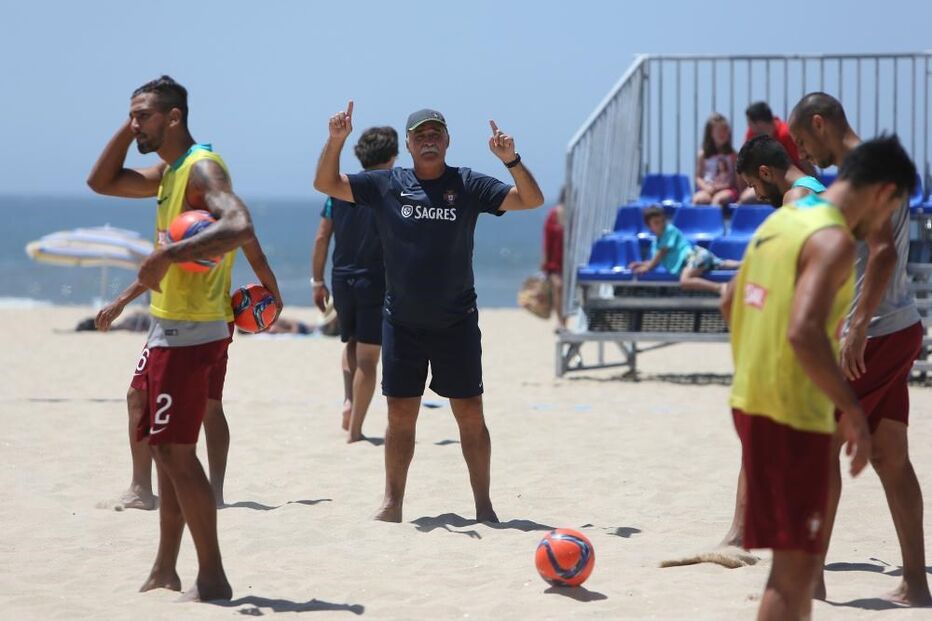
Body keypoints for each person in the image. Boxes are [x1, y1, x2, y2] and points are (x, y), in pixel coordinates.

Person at [86, 75, 275, 601]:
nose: (135, 123)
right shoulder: (168, 173)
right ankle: (166, 568)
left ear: (173, 117)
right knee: (165, 450)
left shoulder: (201, 168)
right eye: (131, 115)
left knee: (174, 451)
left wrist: (168, 254)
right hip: (167, 326)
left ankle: (211, 575)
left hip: (194, 331)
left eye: (143, 115)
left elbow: (240, 224)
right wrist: (126, 132)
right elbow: (100, 182)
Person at [314, 102, 544, 522]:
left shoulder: (468, 184)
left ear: (448, 141)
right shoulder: (387, 184)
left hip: (456, 322)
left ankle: (484, 506)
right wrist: (336, 141)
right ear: (408, 144)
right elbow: (326, 182)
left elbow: (531, 199)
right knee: (401, 417)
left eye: (436, 134)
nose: (429, 140)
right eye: (420, 135)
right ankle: (392, 503)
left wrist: (510, 159)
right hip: (402, 322)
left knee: (470, 416)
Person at [726, 135, 916, 620]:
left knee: (791, 574)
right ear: (883, 193)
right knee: (792, 581)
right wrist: (850, 408)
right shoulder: (830, 237)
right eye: (894, 209)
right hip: (792, 412)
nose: (888, 226)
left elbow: (730, 299)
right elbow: (804, 330)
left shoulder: (785, 219)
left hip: (755, 400)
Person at [789, 93, 931, 605]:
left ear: (821, 124)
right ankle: (915, 584)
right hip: (897, 328)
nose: (806, 155)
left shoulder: (864, 169)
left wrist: (855, 327)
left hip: (873, 335)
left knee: (817, 450)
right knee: (891, 456)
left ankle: (812, 579)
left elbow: (885, 252)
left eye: (805, 141)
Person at [95, 233, 282, 509]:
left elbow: (160, 266)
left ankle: (163, 490)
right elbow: (258, 257)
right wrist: (275, 301)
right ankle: (183, 492)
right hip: (200, 318)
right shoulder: (223, 210)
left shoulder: (203, 212)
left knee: (166, 399)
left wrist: (121, 301)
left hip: (188, 318)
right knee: (190, 403)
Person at [312, 126, 398, 442]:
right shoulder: (392, 186)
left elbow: (322, 237)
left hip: (341, 277)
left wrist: (317, 281)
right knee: (368, 358)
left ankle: (349, 399)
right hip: (375, 279)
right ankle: (357, 431)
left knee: (350, 343)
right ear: (392, 157)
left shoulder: (339, 188)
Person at [629, 206, 739, 294]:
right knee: (723, 263)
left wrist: (647, 267)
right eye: (656, 223)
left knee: (685, 281)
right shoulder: (655, 244)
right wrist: (641, 264)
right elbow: (657, 260)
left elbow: (662, 252)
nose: (661, 225)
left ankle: (720, 288)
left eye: (662, 221)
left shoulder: (669, 231)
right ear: (649, 226)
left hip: (695, 256)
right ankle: (745, 264)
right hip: (697, 258)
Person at [738, 101, 817, 203]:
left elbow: (805, 162)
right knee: (745, 198)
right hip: (769, 181)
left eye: (749, 123)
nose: (748, 126)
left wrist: (810, 183)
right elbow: (743, 166)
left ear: (758, 123)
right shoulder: (752, 134)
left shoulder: (786, 133)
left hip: (791, 180)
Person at [735, 134, 826, 208]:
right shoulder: (813, 187)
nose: (758, 197)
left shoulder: (796, 196)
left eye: (754, 186)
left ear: (765, 173)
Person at [692, 113, 739, 207]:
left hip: (727, 189)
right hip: (707, 188)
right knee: (698, 199)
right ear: (710, 133)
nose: (722, 134)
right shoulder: (703, 154)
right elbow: (698, 177)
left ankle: (714, 221)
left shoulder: (733, 155)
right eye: (718, 131)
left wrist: (723, 187)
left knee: (718, 200)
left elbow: (735, 178)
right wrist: (707, 188)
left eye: (725, 130)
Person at [541, 188, 566, 328]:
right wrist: (545, 261)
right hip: (555, 260)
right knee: (558, 288)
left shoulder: (574, 214)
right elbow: (547, 239)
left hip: (567, 260)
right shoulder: (553, 214)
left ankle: (563, 321)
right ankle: (560, 321)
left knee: (563, 290)